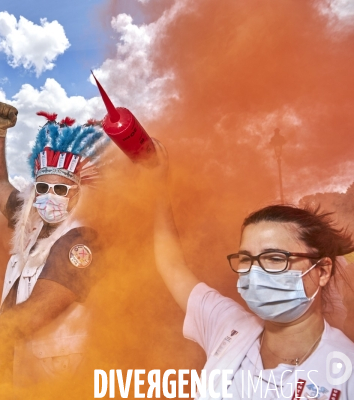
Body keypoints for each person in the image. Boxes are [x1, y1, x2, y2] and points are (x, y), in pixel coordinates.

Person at [150, 138, 354, 398]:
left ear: (323, 271)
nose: (255, 273)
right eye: (246, 258)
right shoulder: (227, 326)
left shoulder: (346, 372)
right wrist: (158, 183)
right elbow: (172, 264)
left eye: (275, 258)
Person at [0, 102, 107, 385]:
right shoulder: (31, 222)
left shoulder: (81, 239)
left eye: (60, 189)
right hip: (22, 367)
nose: (50, 196)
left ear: (77, 194)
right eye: (42, 187)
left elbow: (36, 313)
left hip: (59, 377)